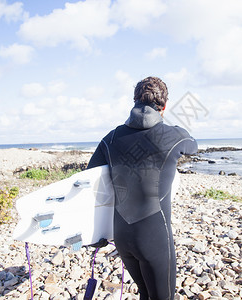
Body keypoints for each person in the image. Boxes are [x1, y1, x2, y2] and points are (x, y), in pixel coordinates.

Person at [87, 76, 198, 300]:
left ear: (134, 102)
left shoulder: (111, 138)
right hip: (154, 237)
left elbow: (90, 179)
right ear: (164, 107)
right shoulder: (176, 136)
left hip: (122, 237)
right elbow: (193, 147)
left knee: (146, 294)